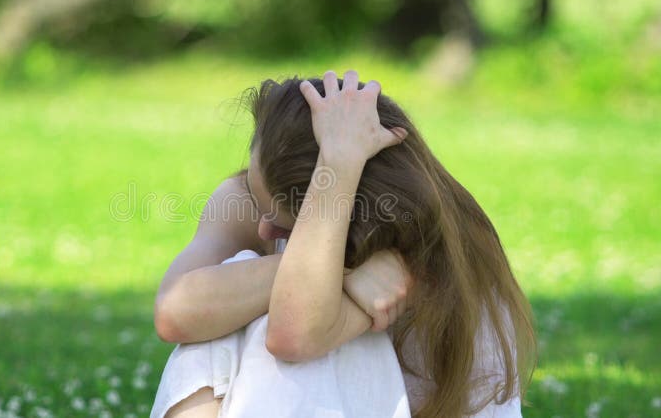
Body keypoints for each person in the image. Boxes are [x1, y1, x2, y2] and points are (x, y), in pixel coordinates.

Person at [151, 70, 537, 417]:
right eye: (256, 200)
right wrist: (345, 270)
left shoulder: (421, 253)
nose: (265, 230)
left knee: (274, 304)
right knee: (231, 290)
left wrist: (338, 166)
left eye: (286, 226)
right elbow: (174, 313)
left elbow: (295, 334)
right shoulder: (248, 198)